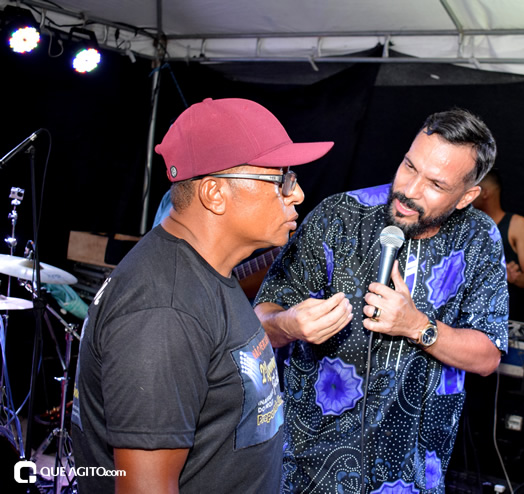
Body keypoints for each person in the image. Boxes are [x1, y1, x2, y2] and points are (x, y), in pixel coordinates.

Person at [70, 98, 333, 493]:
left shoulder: (207, 274)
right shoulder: (163, 310)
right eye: (281, 180)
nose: (297, 194)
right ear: (214, 193)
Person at [255, 108, 508, 493]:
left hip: (411, 478)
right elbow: (260, 320)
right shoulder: (339, 216)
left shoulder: (478, 238)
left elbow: (488, 356)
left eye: (436, 184)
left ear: (466, 196)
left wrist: (417, 327)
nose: (410, 189)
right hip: (309, 471)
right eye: (409, 166)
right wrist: (289, 324)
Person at [472, 168, 524, 290]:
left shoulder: (516, 225)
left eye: (474, 190)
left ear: (484, 193)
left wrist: (513, 277)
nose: (468, 195)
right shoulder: (467, 224)